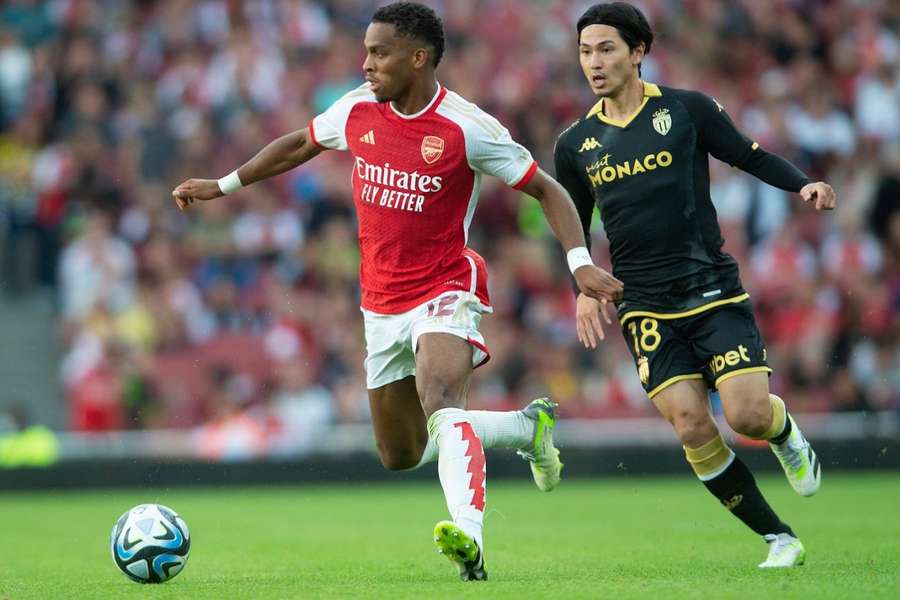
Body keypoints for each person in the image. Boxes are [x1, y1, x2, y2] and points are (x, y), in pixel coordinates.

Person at [172, 2, 622, 582]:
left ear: (418, 58)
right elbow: (300, 144)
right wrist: (224, 185)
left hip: (445, 285)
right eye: (366, 51)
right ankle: (524, 428)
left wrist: (579, 263)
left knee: (441, 400)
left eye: (379, 53)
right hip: (380, 303)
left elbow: (548, 190)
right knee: (400, 453)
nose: (366, 64)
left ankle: (470, 539)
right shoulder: (358, 108)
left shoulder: (466, 127)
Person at [554, 2, 836, 568]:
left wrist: (803, 185)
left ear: (638, 51)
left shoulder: (685, 109)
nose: (594, 62)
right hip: (642, 302)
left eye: (606, 49)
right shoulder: (575, 143)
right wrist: (583, 286)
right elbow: (574, 225)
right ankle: (779, 538)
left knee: (747, 417)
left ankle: (783, 432)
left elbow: (749, 155)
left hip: (709, 287)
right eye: (585, 52)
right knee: (690, 425)